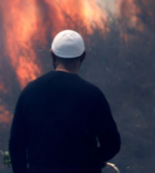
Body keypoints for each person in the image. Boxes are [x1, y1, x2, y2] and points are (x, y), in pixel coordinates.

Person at [9, 30, 121, 173]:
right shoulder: (93, 94)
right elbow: (112, 144)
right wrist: (92, 162)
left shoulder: (30, 91)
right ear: (83, 56)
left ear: (52, 55)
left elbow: (16, 144)